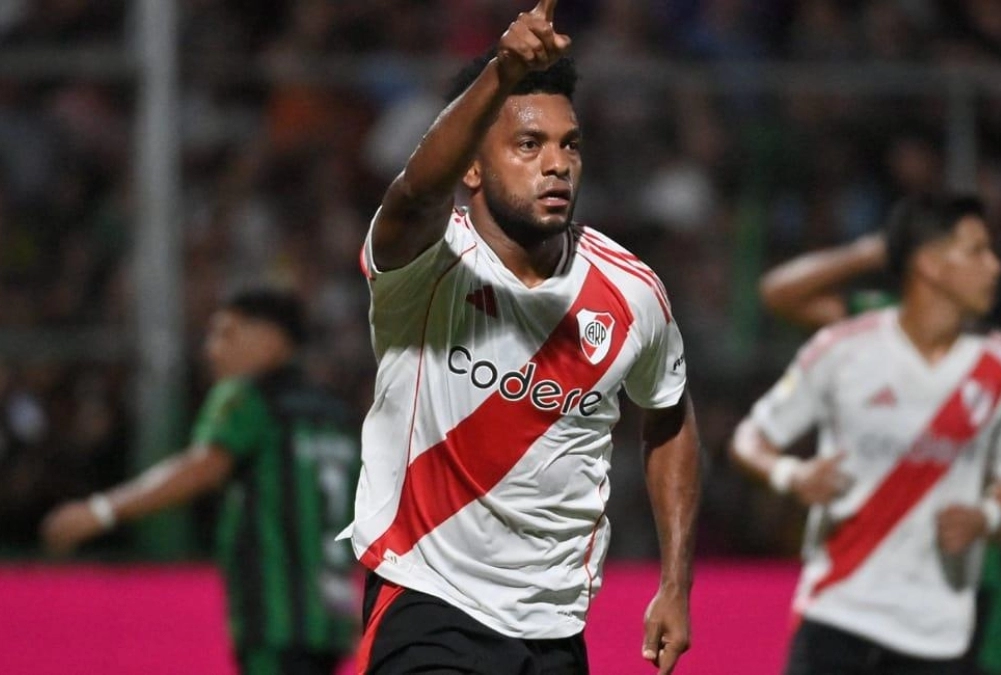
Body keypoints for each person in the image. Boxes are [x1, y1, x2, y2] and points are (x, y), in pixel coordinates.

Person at [339, 1, 701, 674]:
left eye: (570, 144)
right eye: (529, 145)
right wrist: (504, 69)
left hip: (555, 627)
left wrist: (675, 583)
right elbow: (416, 193)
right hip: (428, 603)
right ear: (472, 169)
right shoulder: (425, 263)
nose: (557, 164)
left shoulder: (632, 291)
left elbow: (670, 418)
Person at [758, 228, 1001, 675]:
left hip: (990, 573)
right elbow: (781, 293)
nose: (989, 266)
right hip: (890, 572)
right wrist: (869, 252)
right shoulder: (878, 322)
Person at [731, 194, 1001, 674]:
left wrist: (986, 515)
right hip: (837, 614)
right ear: (930, 264)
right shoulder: (846, 347)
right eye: (977, 251)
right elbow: (750, 439)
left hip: (939, 633)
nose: (995, 266)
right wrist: (792, 475)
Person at [41, 288, 361, 675]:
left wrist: (101, 510)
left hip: (276, 620)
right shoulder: (336, 416)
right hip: (331, 620)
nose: (213, 349)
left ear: (271, 338)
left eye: (227, 333)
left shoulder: (246, 399)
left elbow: (202, 467)